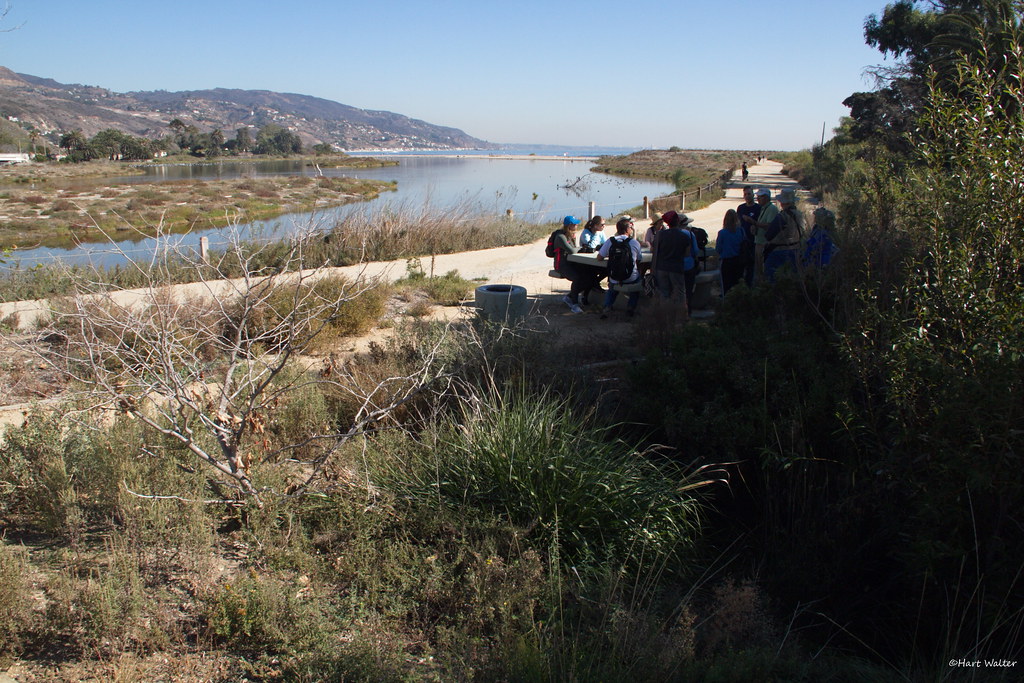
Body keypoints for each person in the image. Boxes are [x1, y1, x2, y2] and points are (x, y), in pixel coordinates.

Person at [551, 215, 600, 313]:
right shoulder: (560, 237)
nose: (577, 226)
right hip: (561, 265)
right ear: (570, 225)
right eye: (575, 224)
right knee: (577, 277)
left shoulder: (571, 236)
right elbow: (571, 250)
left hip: (571, 263)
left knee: (590, 275)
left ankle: (570, 297)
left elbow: (574, 249)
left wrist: (582, 249)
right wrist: (582, 249)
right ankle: (574, 304)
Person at [653, 212, 698, 316]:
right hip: (676, 268)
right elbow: (687, 253)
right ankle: (682, 317)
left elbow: (655, 253)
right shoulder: (684, 235)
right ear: (678, 221)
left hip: (662, 268)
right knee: (680, 294)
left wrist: (653, 270)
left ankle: (666, 316)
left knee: (664, 294)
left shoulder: (660, 235)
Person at [597, 216, 643, 317]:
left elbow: (599, 257)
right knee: (638, 281)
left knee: (612, 286)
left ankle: (607, 306)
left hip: (614, 276)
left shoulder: (611, 241)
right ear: (627, 230)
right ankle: (630, 308)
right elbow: (639, 259)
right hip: (630, 276)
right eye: (630, 228)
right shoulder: (634, 243)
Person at [763, 189, 805, 281]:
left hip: (779, 251)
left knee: (772, 279)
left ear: (782, 202)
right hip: (796, 250)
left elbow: (769, 235)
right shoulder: (800, 215)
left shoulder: (782, 216)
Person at [751, 188, 779, 281]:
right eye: (757, 196)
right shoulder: (763, 208)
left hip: (765, 244)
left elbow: (769, 226)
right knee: (758, 270)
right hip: (759, 242)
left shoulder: (772, 209)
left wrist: (755, 223)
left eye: (760, 197)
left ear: (767, 197)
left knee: (764, 270)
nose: (758, 199)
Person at [716, 209, 746, 294]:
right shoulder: (741, 231)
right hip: (739, 261)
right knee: (737, 284)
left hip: (726, 261)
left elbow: (718, 249)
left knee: (726, 285)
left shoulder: (722, 233)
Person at [736, 187, 760, 286]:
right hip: (742, 240)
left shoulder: (758, 208)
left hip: (753, 240)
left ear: (753, 195)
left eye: (749, 194)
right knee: (741, 264)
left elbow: (761, 223)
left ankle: (750, 285)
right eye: (745, 194)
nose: (747, 196)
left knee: (751, 265)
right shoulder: (741, 208)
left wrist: (753, 224)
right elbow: (737, 223)